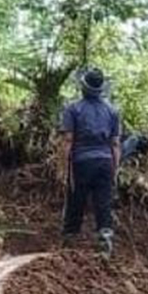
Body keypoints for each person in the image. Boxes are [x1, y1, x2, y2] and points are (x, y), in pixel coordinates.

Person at [60, 67, 122, 257]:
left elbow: (68, 140)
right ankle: (105, 240)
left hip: (81, 161)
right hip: (105, 161)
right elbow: (116, 143)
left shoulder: (73, 109)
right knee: (103, 200)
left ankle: (70, 239)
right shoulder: (112, 111)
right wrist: (115, 168)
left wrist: (64, 165)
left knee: (76, 198)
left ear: (83, 87)